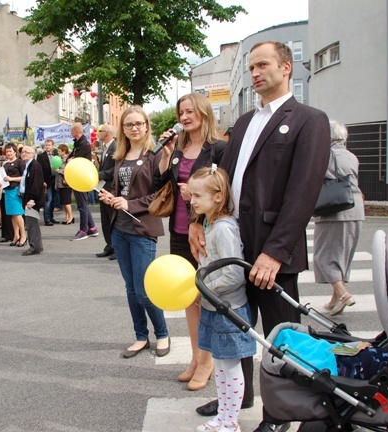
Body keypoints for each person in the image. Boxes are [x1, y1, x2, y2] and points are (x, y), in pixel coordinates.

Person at [189, 41, 330, 432]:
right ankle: (239, 396)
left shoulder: (308, 119)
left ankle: (280, 414)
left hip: (271, 252)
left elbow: (303, 192)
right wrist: (198, 220)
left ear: (286, 68)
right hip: (232, 246)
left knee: (280, 339)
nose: (255, 73)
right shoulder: (246, 120)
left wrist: (275, 253)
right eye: (251, 67)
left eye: (263, 64)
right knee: (234, 329)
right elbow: (218, 179)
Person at [154, 92, 227, 391]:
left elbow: (225, 190)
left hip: (206, 231)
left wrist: (196, 193)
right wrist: (164, 152)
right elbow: (158, 183)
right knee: (188, 297)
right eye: (181, 112)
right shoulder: (178, 148)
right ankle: (197, 357)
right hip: (180, 230)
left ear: (203, 113)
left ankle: (208, 361)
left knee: (207, 297)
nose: (184, 117)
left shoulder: (219, 148)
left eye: (189, 111)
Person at [98, 106, 170, 359]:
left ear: (147, 125)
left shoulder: (155, 154)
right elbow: (122, 191)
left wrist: (130, 204)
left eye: (139, 123)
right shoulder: (120, 155)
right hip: (120, 228)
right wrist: (113, 198)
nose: (134, 128)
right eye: (129, 125)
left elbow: (160, 193)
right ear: (123, 129)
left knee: (144, 289)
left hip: (142, 228)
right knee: (130, 288)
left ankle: (162, 333)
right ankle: (141, 336)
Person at [189, 166, 256, 432]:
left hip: (228, 310)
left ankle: (229, 420)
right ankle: (224, 415)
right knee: (220, 366)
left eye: (197, 195)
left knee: (228, 368)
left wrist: (203, 288)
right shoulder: (210, 222)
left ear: (218, 197)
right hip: (215, 307)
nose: (192, 201)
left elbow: (234, 273)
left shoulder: (224, 229)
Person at [313, 120, 365, 316]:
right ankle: (335, 299)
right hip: (356, 209)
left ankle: (342, 294)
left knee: (323, 256)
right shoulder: (351, 156)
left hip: (332, 210)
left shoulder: (325, 155)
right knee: (343, 256)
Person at [69, 122, 99, 241]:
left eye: (72, 130)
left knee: (82, 205)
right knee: (83, 203)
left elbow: (77, 159)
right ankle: (92, 228)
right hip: (77, 175)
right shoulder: (77, 143)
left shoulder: (84, 144)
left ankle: (83, 230)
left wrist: (71, 159)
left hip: (81, 177)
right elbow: (71, 156)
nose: (71, 132)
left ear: (77, 131)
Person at [95, 124, 117, 260]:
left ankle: (115, 247)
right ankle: (109, 246)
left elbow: (116, 169)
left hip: (111, 188)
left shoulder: (115, 147)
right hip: (103, 188)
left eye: (100, 131)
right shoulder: (105, 148)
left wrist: (100, 175)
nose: (97, 133)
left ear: (107, 133)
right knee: (105, 219)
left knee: (112, 219)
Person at [20, 145, 46, 256]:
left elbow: (36, 184)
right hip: (28, 198)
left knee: (31, 223)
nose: (24, 153)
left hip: (32, 200)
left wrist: (32, 199)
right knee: (31, 222)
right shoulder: (28, 166)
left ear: (32, 154)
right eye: (22, 151)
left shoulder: (34, 166)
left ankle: (34, 246)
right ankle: (37, 245)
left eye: (27, 152)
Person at [1, 143, 26, 246]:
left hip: (16, 189)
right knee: (12, 215)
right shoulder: (5, 164)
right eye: (7, 151)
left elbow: (24, 177)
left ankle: (23, 235)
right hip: (7, 190)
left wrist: (11, 179)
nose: (8, 153)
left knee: (18, 213)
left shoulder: (20, 162)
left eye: (10, 151)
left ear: (15, 152)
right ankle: (16, 235)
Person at [37, 139, 60, 226]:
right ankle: (47, 219)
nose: (47, 147)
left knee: (54, 199)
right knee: (48, 200)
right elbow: (39, 170)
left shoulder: (55, 155)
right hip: (47, 180)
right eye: (46, 145)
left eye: (49, 145)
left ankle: (51, 217)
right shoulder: (41, 156)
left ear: (52, 146)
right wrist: (42, 181)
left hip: (55, 180)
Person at [54, 144, 75, 225]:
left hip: (66, 184)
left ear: (64, 151)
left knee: (67, 202)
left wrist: (58, 170)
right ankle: (67, 216)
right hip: (60, 184)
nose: (58, 152)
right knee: (63, 202)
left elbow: (67, 171)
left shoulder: (68, 160)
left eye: (59, 151)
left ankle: (71, 216)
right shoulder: (60, 159)